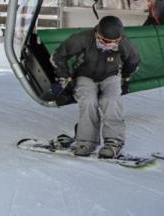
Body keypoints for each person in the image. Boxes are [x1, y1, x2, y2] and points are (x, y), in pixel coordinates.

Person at [51, 15, 141, 158]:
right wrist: (64, 76)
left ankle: (113, 143)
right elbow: (58, 55)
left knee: (111, 101)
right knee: (88, 101)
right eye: (106, 41)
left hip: (111, 75)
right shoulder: (83, 38)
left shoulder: (123, 42)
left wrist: (125, 78)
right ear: (98, 34)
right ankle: (86, 142)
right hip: (85, 75)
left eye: (114, 42)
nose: (110, 44)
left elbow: (133, 61)